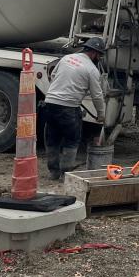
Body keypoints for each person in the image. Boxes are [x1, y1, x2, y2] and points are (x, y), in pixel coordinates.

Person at [42, 36, 107, 180]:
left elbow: (53, 75)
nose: (99, 59)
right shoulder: (91, 70)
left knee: (52, 138)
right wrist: (101, 115)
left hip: (50, 103)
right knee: (72, 140)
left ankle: (53, 172)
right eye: (100, 56)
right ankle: (65, 174)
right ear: (95, 53)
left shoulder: (66, 58)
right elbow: (97, 96)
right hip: (69, 108)